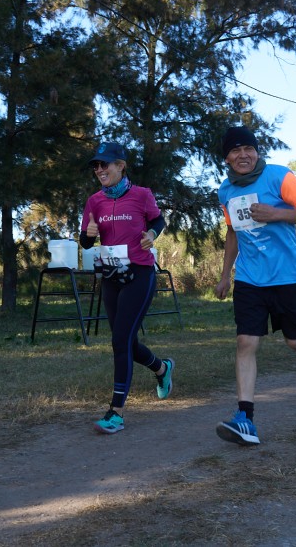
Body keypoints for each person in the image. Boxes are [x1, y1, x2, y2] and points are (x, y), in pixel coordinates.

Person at [214, 126, 296, 446]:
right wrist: (226, 275)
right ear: (226, 157)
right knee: (245, 342)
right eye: (235, 150)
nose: (243, 155)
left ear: (256, 151)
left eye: (248, 149)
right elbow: (233, 232)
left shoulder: (280, 177)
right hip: (250, 278)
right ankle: (245, 418)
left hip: (288, 276)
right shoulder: (226, 191)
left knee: (294, 340)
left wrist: (276, 214)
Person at [79, 141, 174, 434]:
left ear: (121, 166)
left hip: (140, 273)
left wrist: (152, 233)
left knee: (120, 340)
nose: (99, 170)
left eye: (104, 164)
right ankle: (162, 368)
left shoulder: (141, 195)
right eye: (95, 165)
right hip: (110, 275)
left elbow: (158, 219)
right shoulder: (95, 201)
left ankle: (116, 413)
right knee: (126, 342)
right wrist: (88, 235)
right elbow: (84, 241)